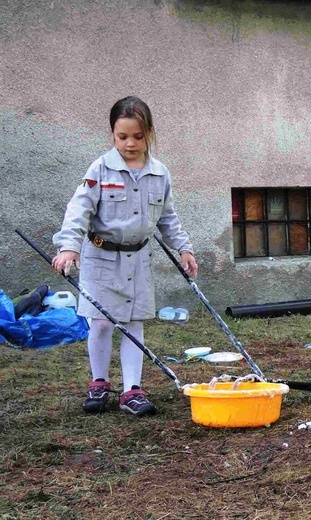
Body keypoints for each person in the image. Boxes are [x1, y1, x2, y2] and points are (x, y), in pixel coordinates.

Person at [52, 96, 198, 417]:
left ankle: (132, 389)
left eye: (138, 136)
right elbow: (79, 210)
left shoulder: (160, 173)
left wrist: (184, 249)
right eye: (122, 137)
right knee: (102, 323)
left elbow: (168, 218)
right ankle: (99, 383)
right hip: (101, 258)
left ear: (149, 133)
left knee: (134, 325)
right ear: (112, 135)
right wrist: (69, 246)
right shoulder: (100, 168)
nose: (130, 143)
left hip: (138, 261)